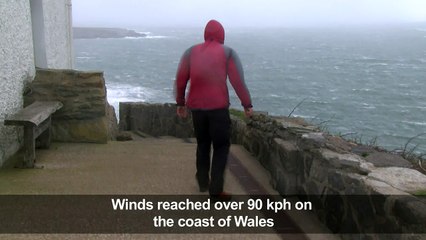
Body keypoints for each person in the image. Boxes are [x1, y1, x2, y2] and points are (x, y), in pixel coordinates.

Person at [174, 19, 253, 201]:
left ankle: (202, 181)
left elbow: (180, 79)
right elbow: (238, 82)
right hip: (218, 109)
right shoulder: (228, 53)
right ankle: (216, 190)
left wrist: (180, 103)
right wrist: (247, 105)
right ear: (222, 35)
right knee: (221, 147)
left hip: (197, 110)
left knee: (202, 144)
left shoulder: (190, 52)